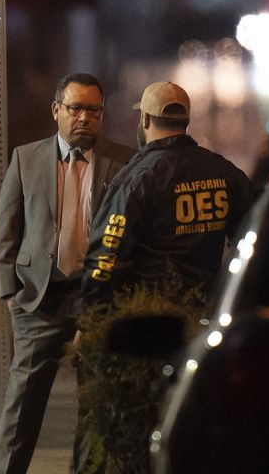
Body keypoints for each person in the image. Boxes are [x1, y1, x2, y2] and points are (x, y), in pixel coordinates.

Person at [0, 73, 133, 474]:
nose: (84, 117)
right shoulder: (27, 158)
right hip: (39, 296)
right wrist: (9, 293)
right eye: (76, 108)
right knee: (23, 399)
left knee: (94, 401)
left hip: (98, 296)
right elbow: (8, 229)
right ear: (56, 109)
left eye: (93, 110)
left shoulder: (123, 162)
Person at [80, 81, 253, 307]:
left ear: (145, 119)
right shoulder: (224, 172)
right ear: (186, 122)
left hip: (151, 317)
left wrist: (92, 312)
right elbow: (252, 232)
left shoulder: (136, 179)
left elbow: (107, 255)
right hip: (207, 312)